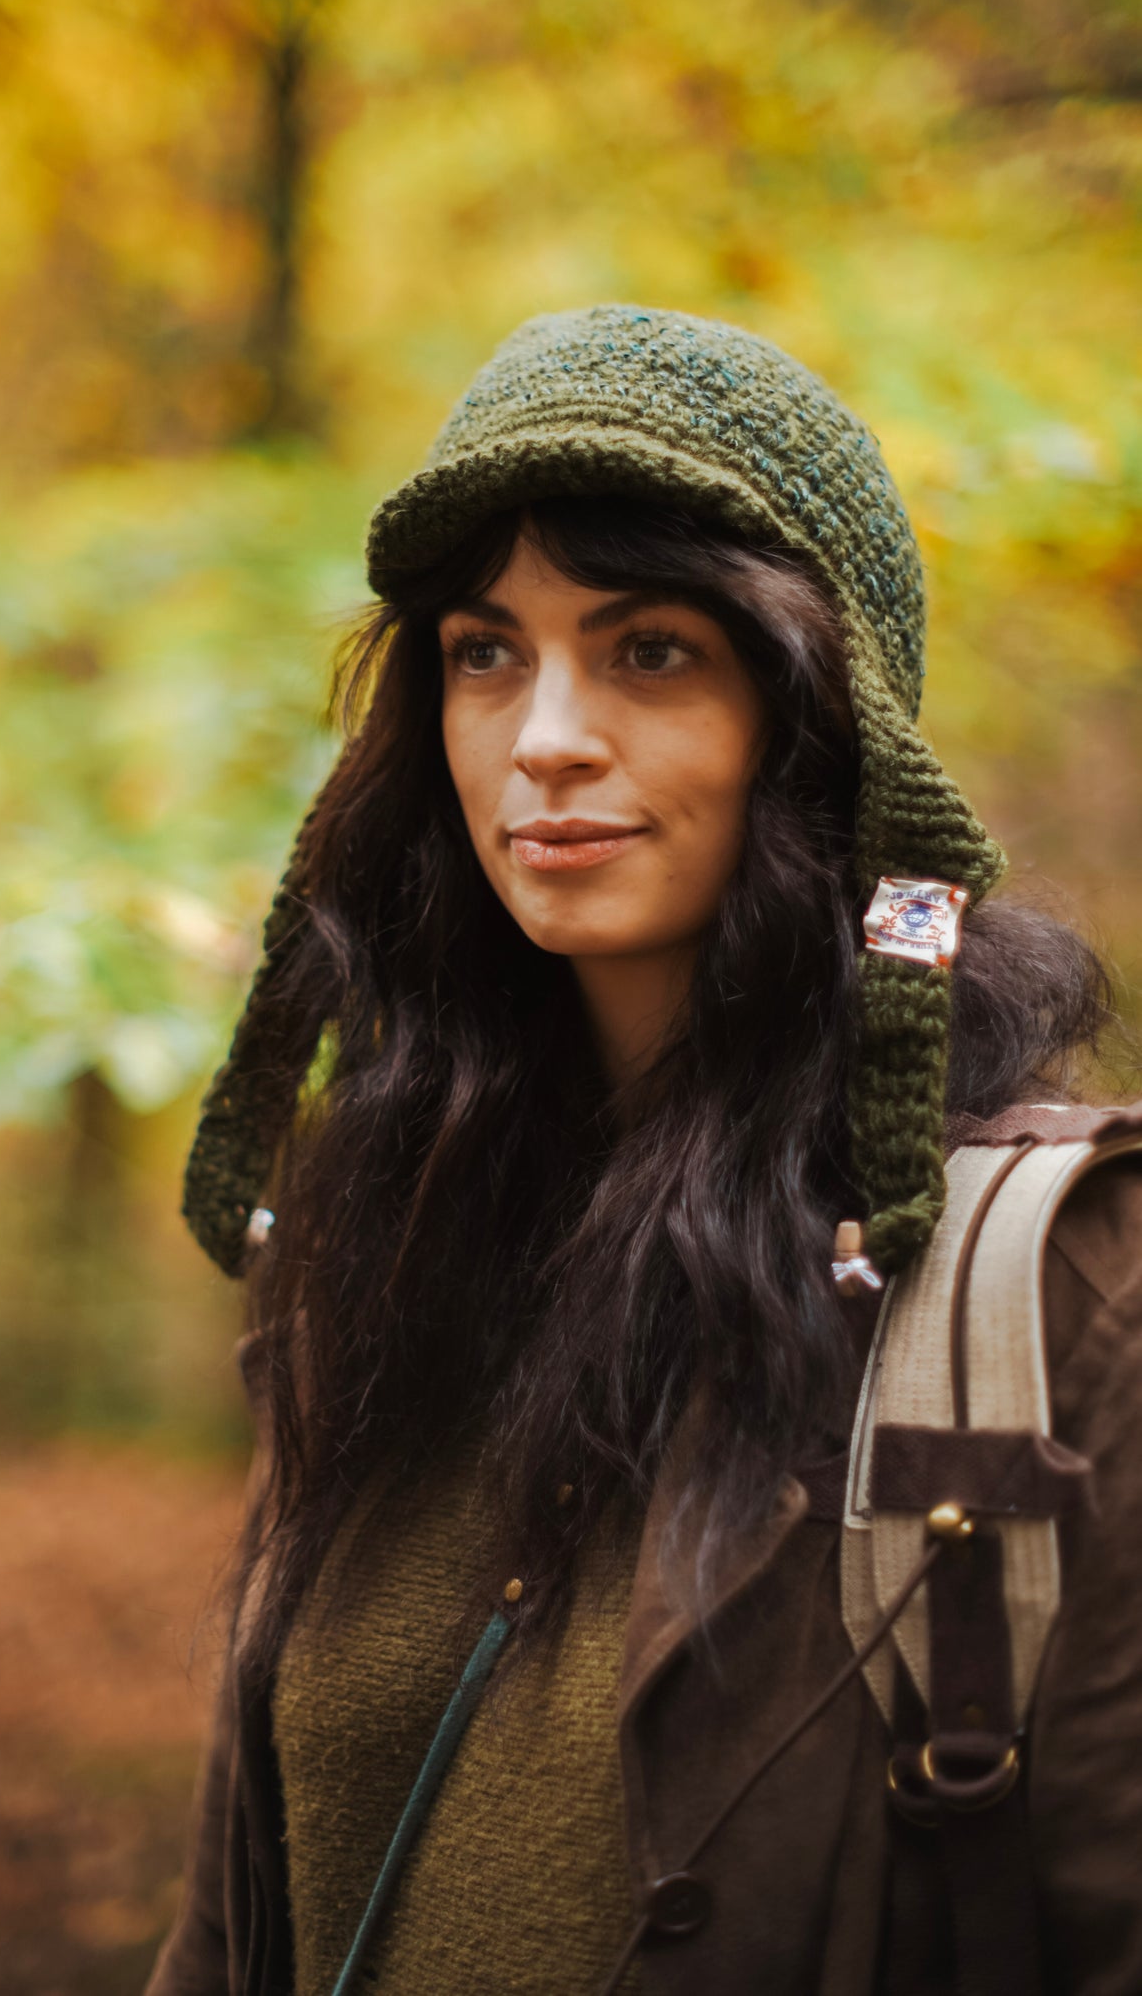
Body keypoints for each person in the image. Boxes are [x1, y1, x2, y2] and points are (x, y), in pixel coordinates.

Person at [146, 307, 1142, 1996]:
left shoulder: (1053, 1297)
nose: (543, 735)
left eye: (648, 649)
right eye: (484, 649)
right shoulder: (388, 1265)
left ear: (819, 719)